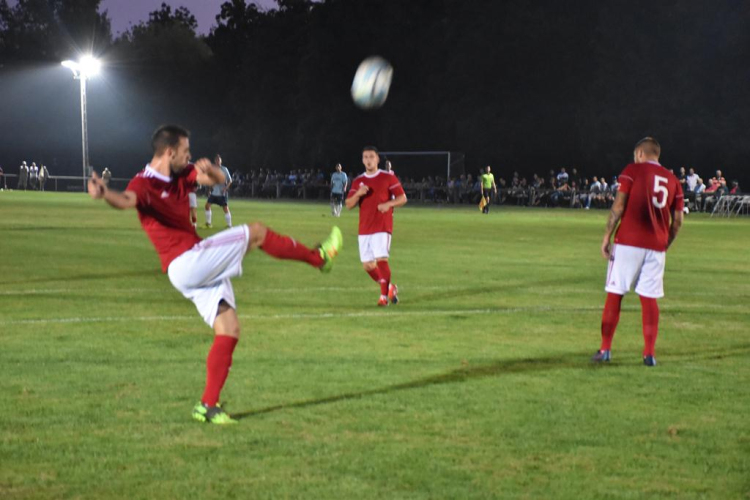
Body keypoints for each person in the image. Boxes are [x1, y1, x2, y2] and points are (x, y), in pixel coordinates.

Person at [87, 125, 342, 424]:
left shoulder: (184, 174)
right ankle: (319, 258)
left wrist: (214, 171)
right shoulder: (144, 184)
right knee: (256, 232)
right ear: (170, 152)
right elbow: (126, 200)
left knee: (229, 329)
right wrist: (104, 192)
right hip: (186, 261)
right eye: (185, 151)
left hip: (192, 267)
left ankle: (207, 405)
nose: (190, 156)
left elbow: (220, 181)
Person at [593, 137, 683, 367]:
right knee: (649, 298)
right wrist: (665, 243)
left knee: (615, 292)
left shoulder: (632, 170)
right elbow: (678, 222)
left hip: (628, 242)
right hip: (656, 247)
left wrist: (606, 236)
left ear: (641, 153)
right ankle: (649, 354)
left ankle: (605, 349)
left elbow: (619, 206)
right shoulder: (673, 180)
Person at [346, 146, 407, 306]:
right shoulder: (358, 181)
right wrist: (358, 194)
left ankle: (383, 298)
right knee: (367, 265)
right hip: (364, 227)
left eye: (371, 156)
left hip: (382, 225)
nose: (368, 160)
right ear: (362, 160)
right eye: (365, 157)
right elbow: (348, 204)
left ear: (377, 159)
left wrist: (389, 204)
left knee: (381, 260)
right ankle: (390, 287)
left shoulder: (388, 178)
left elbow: (403, 198)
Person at [204, 154, 232, 228]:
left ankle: (229, 225)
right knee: (207, 206)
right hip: (214, 192)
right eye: (216, 160)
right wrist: (210, 189)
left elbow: (230, 180)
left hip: (222, 193)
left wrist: (225, 188)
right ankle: (208, 223)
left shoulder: (224, 169)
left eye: (219, 160)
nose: (218, 162)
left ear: (221, 161)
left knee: (225, 208)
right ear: (215, 161)